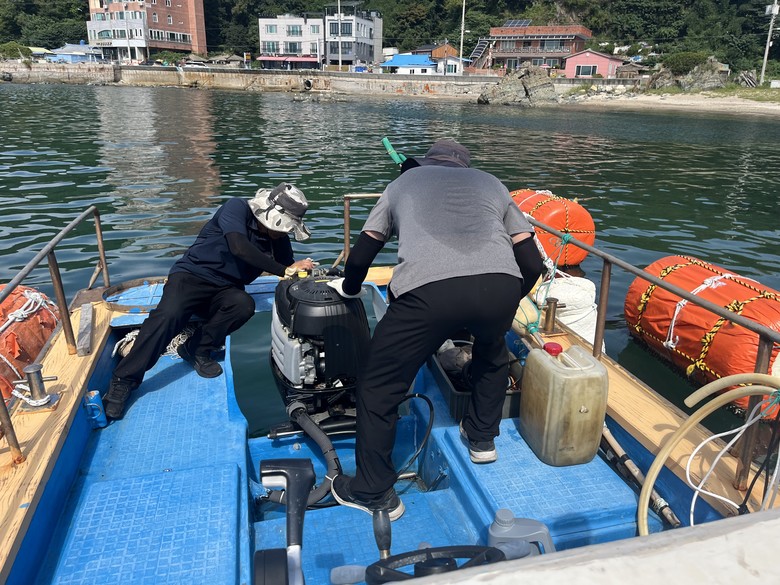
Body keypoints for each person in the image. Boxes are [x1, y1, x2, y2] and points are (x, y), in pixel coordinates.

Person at [327, 139, 544, 521]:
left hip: (427, 293)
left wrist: (348, 287)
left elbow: (361, 255)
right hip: (500, 284)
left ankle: (373, 491)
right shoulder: (492, 184)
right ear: (464, 166)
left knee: (379, 384)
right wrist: (506, 298)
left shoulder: (401, 184)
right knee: (492, 351)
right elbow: (531, 262)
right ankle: (481, 438)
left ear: (427, 162)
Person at [104, 182, 316, 420]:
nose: (283, 233)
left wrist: (300, 269)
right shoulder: (237, 208)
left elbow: (287, 267)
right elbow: (239, 247)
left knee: (243, 305)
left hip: (226, 288)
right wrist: (284, 269)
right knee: (169, 315)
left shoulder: (278, 238)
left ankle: (197, 348)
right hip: (191, 276)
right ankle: (124, 380)